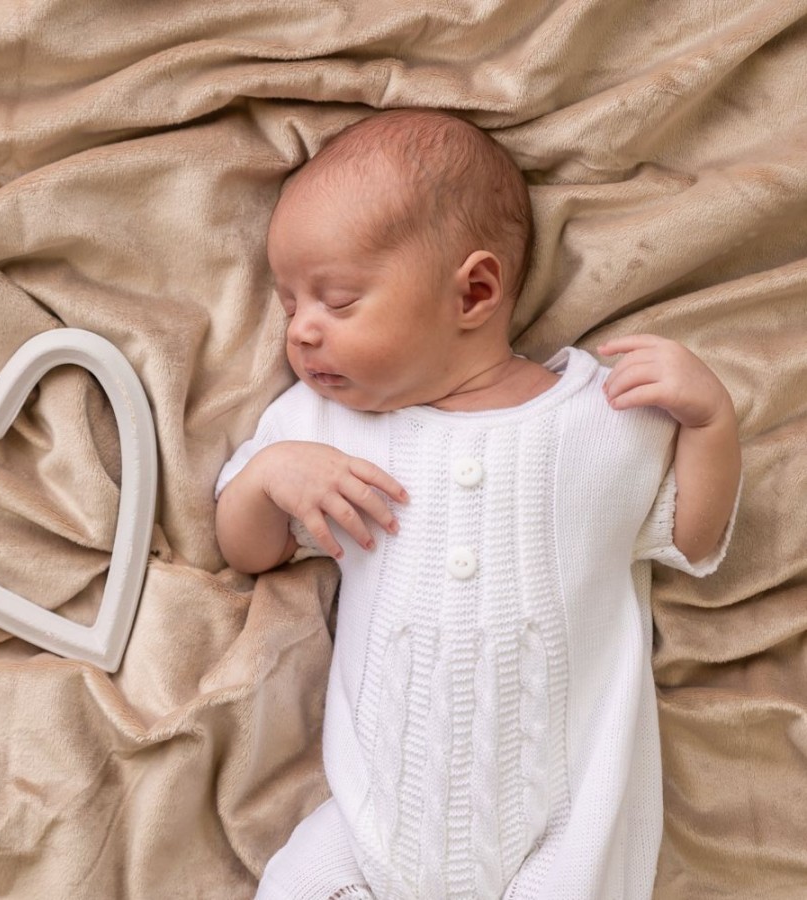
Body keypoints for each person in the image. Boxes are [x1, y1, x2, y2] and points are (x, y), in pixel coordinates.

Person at [214, 109, 741, 900]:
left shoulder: (605, 417)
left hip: (564, 825)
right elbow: (247, 550)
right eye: (291, 306)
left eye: (338, 301)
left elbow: (692, 541)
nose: (303, 334)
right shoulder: (325, 429)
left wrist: (711, 423)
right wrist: (268, 477)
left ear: (476, 292)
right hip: (373, 825)